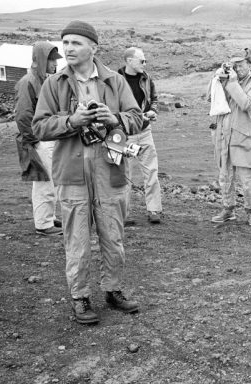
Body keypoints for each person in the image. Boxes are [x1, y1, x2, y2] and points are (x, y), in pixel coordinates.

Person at [32, 20, 144, 325]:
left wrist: (114, 118)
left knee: (113, 236)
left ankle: (113, 290)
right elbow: (39, 126)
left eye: (76, 43)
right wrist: (72, 121)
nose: (68, 48)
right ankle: (80, 297)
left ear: (93, 48)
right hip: (72, 175)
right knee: (77, 240)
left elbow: (136, 118)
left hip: (111, 172)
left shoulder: (114, 82)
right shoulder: (53, 85)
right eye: (65, 42)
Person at [209, 48, 251, 226]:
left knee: (247, 178)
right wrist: (217, 80)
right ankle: (228, 209)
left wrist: (232, 83)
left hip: (244, 135)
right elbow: (210, 98)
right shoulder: (226, 79)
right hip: (224, 134)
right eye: (234, 65)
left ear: (249, 64)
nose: (237, 68)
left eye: (240, 65)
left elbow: (246, 104)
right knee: (225, 175)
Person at [14, 41, 63, 236]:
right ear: (42, 59)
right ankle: (43, 224)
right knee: (44, 181)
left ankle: (48, 217)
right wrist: (34, 139)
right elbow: (23, 114)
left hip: (44, 137)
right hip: (38, 139)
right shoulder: (29, 82)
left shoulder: (41, 80)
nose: (55, 64)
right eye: (51, 60)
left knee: (50, 179)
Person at [118, 47, 162, 225]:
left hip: (144, 132)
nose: (145, 64)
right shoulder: (116, 80)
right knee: (123, 175)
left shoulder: (146, 78)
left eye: (145, 61)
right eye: (141, 61)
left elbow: (154, 99)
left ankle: (154, 210)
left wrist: (152, 111)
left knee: (151, 172)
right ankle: (122, 214)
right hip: (125, 135)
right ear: (129, 61)